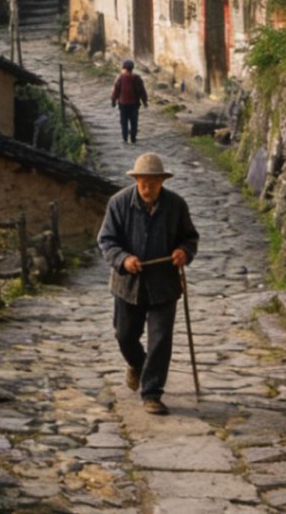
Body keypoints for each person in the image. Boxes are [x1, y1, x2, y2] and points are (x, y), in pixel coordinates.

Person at [97, 152, 199, 415]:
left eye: (153, 181)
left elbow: (189, 237)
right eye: (143, 180)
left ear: (162, 181)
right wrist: (123, 259)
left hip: (163, 284)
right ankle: (137, 363)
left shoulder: (176, 205)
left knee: (160, 340)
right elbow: (106, 240)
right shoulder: (119, 203)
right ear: (136, 180)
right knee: (124, 336)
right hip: (127, 284)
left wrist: (183, 252)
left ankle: (152, 393)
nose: (148, 186)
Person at [110, 59, 149, 144]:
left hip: (123, 104)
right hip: (134, 104)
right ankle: (133, 138)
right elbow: (142, 91)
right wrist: (145, 101)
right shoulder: (137, 78)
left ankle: (125, 138)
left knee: (124, 121)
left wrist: (113, 101)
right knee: (134, 121)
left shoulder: (120, 78)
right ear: (132, 68)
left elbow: (115, 91)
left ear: (123, 68)